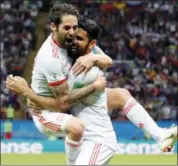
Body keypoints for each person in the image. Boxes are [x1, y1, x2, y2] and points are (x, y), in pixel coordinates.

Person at [6, 18, 177, 164]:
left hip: (97, 140)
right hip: (87, 136)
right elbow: (108, 60)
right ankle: (160, 134)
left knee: (114, 98)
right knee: (121, 94)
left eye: (79, 38)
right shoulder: (80, 54)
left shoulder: (85, 73)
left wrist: (27, 92)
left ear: (91, 44)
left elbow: (60, 104)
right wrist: (95, 56)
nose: (73, 41)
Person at [6, 3, 110, 165]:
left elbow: (108, 61)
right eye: (67, 28)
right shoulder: (51, 58)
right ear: (54, 27)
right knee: (77, 127)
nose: (72, 32)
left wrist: (92, 57)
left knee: (119, 95)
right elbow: (61, 104)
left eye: (75, 27)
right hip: (45, 112)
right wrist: (93, 87)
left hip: (67, 101)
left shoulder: (75, 38)